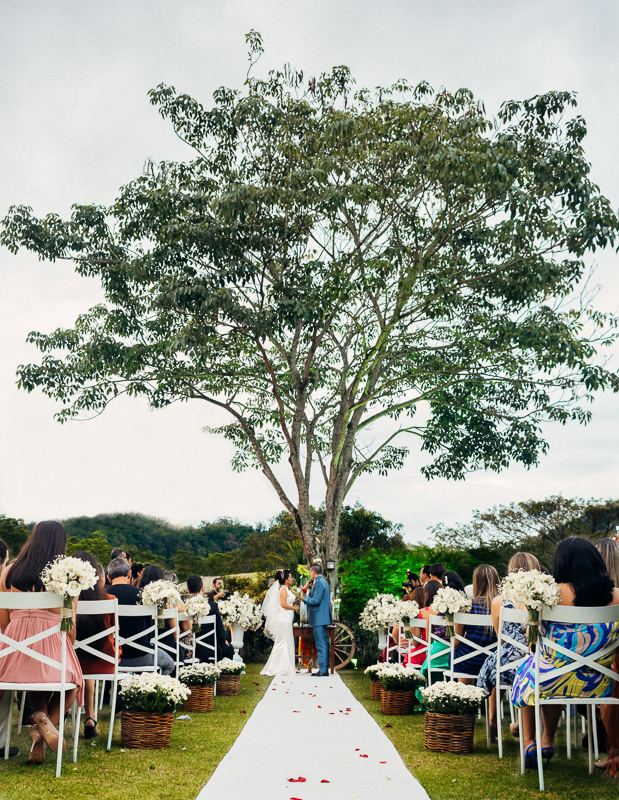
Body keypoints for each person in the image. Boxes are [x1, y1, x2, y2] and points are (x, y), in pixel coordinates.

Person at [511, 537, 619, 769]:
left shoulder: (548, 594)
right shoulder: (618, 597)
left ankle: (533, 741)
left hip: (550, 681)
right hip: (601, 684)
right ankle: (546, 739)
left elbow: (522, 615)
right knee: (546, 669)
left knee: (529, 668)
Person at [0, 521, 84, 764]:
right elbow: (70, 628)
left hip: (12, 656)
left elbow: (4, 623)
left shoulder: (9, 573)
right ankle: (43, 726)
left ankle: (40, 720)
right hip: (51, 649)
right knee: (73, 681)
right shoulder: (68, 577)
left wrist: (18, 644)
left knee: (36, 676)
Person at [476, 552, 540, 740]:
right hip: (533, 661)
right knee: (524, 667)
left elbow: (501, 640)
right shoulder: (543, 600)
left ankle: (492, 719)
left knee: (501, 663)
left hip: (504, 665)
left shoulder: (498, 601)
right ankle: (521, 723)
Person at [72, 551, 118, 739]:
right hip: (104, 661)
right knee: (87, 662)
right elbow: (116, 632)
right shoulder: (110, 600)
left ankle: (86, 715)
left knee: (81, 660)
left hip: (72, 662)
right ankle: (90, 716)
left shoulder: (67, 600)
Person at [106, 558, 175, 675]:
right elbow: (149, 630)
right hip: (142, 655)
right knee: (170, 665)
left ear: (108, 578)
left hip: (111, 657)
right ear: (129, 574)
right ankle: (146, 690)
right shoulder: (143, 596)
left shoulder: (102, 596)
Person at [294, 564, 332, 676]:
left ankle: (323, 670)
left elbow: (315, 600)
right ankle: (323, 668)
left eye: (310, 572)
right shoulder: (322, 582)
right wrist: (309, 587)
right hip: (321, 617)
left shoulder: (319, 583)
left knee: (321, 644)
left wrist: (304, 598)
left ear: (313, 572)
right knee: (322, 643)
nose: (310, 574)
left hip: (319, 617)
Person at [186, 574, 234, 662]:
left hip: (189, 649)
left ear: (188, 591)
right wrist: (223, 642)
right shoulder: (212, 606)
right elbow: (220, 632)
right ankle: (223, 674)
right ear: (202, 588)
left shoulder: (184, 607)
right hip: (210, 650)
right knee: (229, 648)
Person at [260, 569, 297, 676]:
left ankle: (286, 665)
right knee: (283, 642)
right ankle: (280, 667)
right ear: (285, 580)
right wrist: (294, 608)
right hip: (283, 619)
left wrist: (298, 600)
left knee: (286, 641)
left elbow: (288, 602)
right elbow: (283, 604)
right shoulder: (283, 590)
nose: (291, 579)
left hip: (287, 619)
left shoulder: (286, 589)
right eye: (289, 577)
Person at [403, 586, 428, 666]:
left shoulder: (420, 614)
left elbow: (416, 642)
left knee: (410, 654)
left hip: (424, 652)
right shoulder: (444, 612)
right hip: (443, 651)